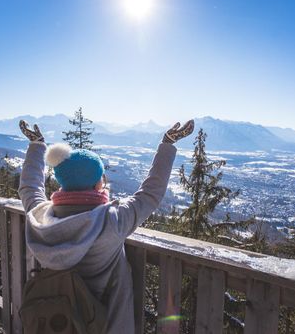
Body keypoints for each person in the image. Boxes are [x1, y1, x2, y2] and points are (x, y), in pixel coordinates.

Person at [18, 119, 194, 333]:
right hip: (107, 325)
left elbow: (30, 188)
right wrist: (167, 144)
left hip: (58, 320)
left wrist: (37, 146)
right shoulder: (112, 219)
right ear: (97, 183)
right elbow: (150, 193)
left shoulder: (40, 216)